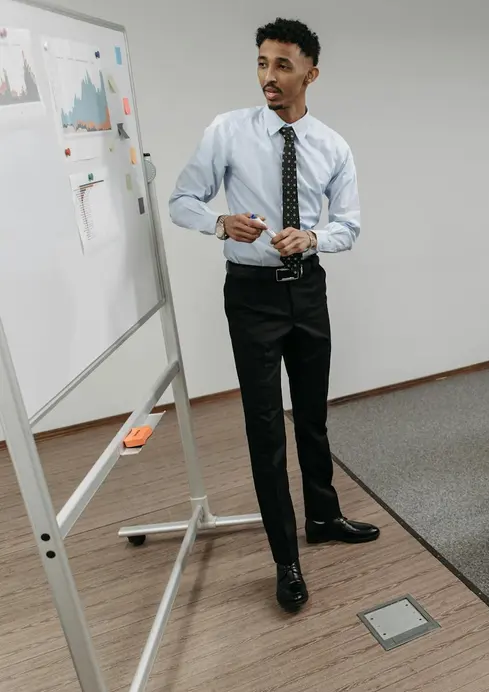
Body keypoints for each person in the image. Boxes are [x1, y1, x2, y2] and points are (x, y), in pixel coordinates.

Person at [169, 18, 379, 613]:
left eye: (283, 65)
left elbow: (350, 223)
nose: (269, 76)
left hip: (307, 292)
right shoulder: (227, 131)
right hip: (253, 297)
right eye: (262, 63)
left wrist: (311, 236)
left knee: (312, 417)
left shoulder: (333, 146)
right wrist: (219, 223)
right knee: (265, 428)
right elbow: (181, 199)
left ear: (310, 73)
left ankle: (323, 516)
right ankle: (285, 557)